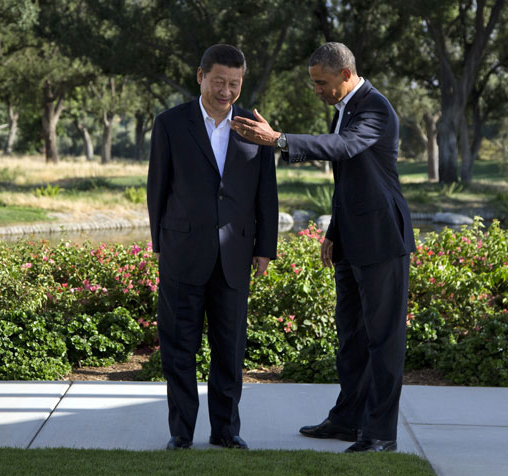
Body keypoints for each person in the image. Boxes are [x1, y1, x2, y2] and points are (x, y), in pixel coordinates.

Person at [230, 42, 416, 453]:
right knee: (351, 336)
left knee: (384, 342)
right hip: (351, 238)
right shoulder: (346, 107)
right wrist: (334, 230)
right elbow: (349, 174)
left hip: (383, 239)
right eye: (314, 82)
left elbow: (344, 147)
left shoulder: (375, 108)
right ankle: (348, 420)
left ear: (346, 75)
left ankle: (381, 434)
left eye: (322, 83)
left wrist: (278, 139)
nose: (317, 90)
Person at [147, 44, 278, 450]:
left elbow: (266, 194)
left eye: (234, 84)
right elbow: (158, 187)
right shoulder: (170, 123)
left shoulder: (254, 126)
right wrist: (160, 245)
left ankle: (226, 430)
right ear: (200, 76)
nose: (226, 91)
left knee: (230, 350)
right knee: (179, 349)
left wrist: (265, 249)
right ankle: (180, 433)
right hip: (182, 253)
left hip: (235, 256)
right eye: (219, 81)